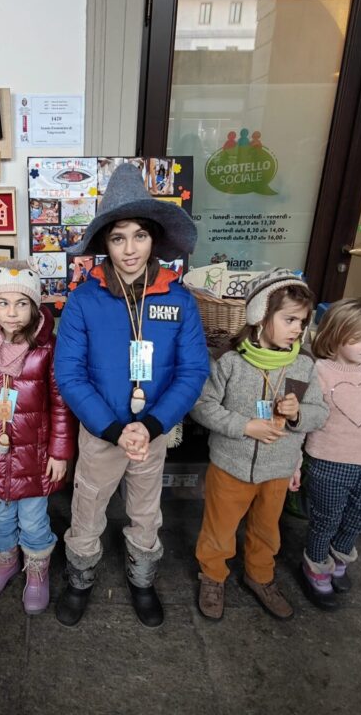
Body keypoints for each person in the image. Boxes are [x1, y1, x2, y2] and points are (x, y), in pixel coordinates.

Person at [53, 163, 209, 628]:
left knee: (145, 509)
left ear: (154, 239)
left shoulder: (179, 300)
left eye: (139, 236)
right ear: (104, 243)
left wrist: (152, 425)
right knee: (88, 505)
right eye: (118, 237)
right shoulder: (85, 299)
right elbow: (70, 373)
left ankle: (142, 578)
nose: (129, 248)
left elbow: (193, 369)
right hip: (103, 432)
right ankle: (80, 578)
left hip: (153, 432)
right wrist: (116, 429)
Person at [190, 269, 329, 622]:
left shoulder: (304, 365)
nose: (298, 328)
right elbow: (202, 406)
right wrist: (244, 426)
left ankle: (261, 576)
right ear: (259, 317)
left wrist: (299, 415)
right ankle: (213, 576)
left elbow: (321, 412)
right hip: (230, 465)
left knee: (267, 530)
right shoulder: (229, 361)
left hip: (278, 469)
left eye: (302, 321)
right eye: (289, 319)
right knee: (219, 528)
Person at [0, 260, 76, 614]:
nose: (12, 312)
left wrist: (59, 452)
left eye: (22, 304)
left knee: (34, 517)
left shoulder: (47, 351)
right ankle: (4, 559)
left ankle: (37, 567)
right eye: (3, 303)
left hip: (34, 456)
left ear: (35, 307)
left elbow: (61, 405)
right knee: (0, 514)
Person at [299, 299, 361, 609]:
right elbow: (300, 418)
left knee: (357, 519)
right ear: (334, 335)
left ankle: (338, 559)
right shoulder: (317, 371)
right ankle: (315, 566)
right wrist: (294, 463)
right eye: (359, 338)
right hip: (328, 462)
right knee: (325, 518)